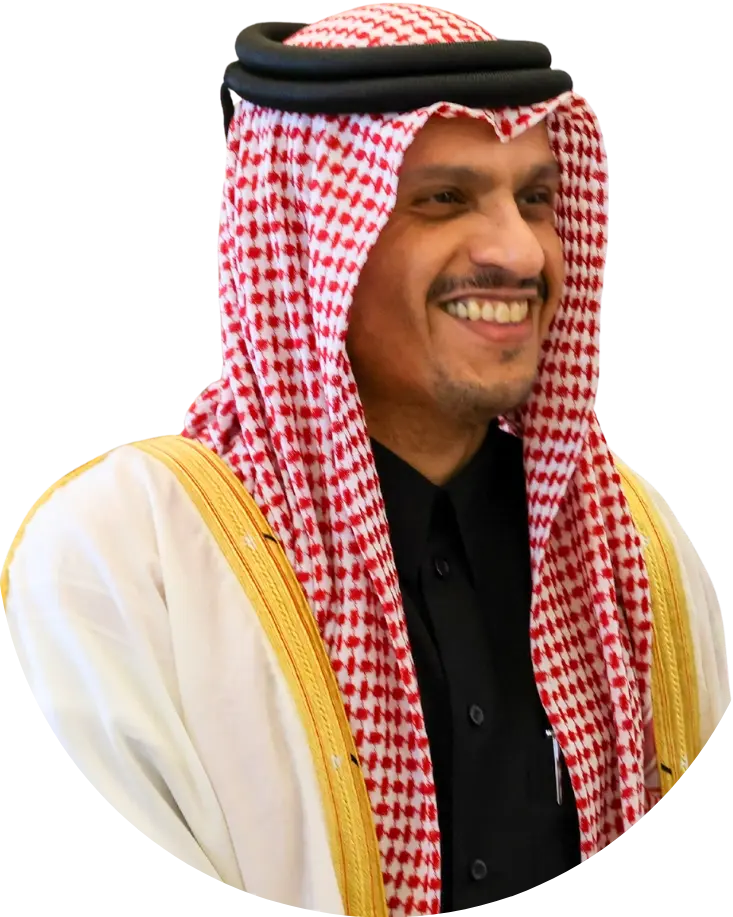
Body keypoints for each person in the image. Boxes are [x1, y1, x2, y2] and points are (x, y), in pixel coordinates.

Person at [1, 3, 729, 915]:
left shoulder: (629, 548)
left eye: (535, 198)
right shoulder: (122, 564)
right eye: (443, 198)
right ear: (311, 240)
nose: (519, 251)